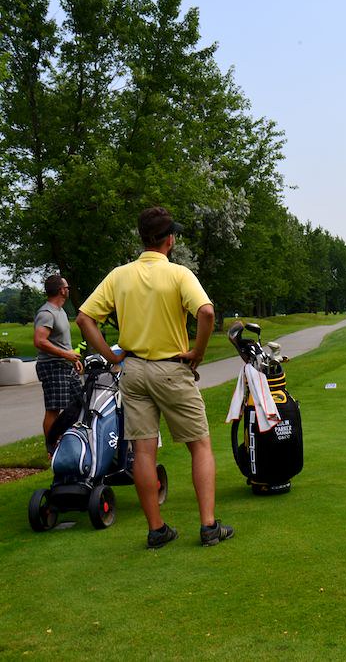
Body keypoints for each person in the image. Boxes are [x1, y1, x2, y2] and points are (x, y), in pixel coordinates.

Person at [77, 207, 233, 548]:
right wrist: (198, 352)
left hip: (132, 370)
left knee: (143, 451)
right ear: (170, 239)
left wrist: (110, 355)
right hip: (172, 368)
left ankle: (157, 529)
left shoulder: (120, 275)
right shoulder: (179, 274)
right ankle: (208, 526)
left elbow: (84, 318)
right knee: (200, 445)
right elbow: (206, 312)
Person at [33, 274, 84, 443]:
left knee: (79, 402)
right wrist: (66, 355)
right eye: (67, 287)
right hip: (52, 366)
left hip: (65, 364)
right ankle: (51, 448)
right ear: (62, 290)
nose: (68, 290)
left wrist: (72, 358)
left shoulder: (60, 311)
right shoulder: (47, 313)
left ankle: (68, 441)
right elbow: (39, 341)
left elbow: (60, 342)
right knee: (54, 408)